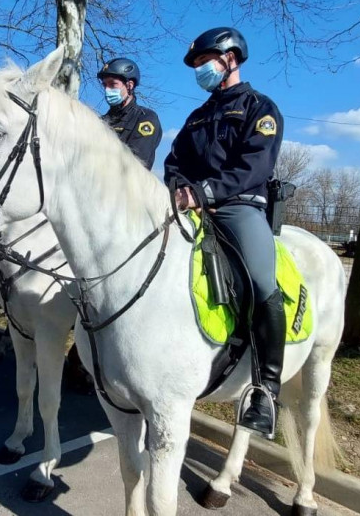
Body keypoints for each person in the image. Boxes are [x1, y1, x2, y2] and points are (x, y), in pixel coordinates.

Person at [164, 27, 285, 437]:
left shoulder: (260, 108)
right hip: (190, 207)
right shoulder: (197, 115)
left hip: (236, 208)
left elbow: (255, 166)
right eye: (197, 66)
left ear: (231, 59)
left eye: (205, 62)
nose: (201, 71)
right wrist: (179, 186)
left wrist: (205, 191)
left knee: (261, 281)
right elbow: (174, 159)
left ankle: (266, 391)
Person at [97, 58, 162, 169]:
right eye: (105, 85)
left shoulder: (146, 118)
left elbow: (136, 162)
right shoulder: (100, 121)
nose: (107, 90)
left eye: (113, 84)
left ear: (129, 85)